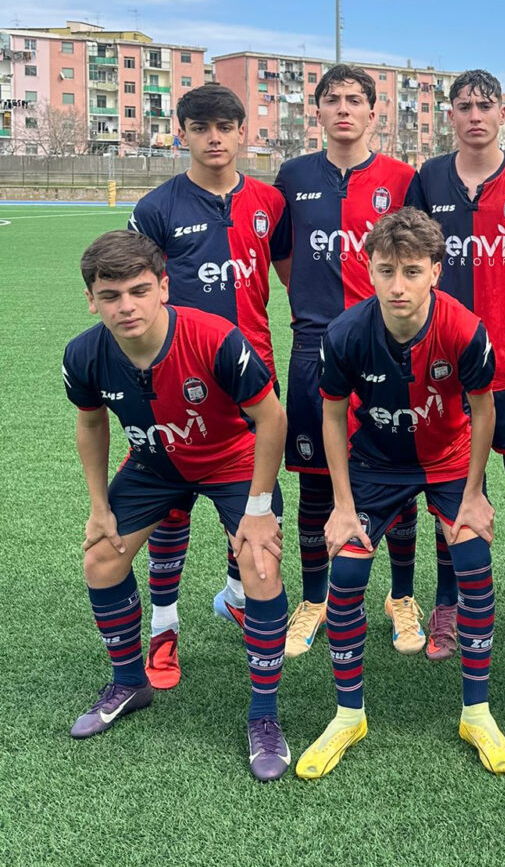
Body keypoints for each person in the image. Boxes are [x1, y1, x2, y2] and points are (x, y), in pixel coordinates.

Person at [295, 207, 505, 778]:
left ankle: (477, 713)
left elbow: (484, 411)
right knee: (346, 574)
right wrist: (342, 505)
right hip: (374, 466)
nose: (398, 286)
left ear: (436, 272)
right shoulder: (345, 333)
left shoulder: (465, 329)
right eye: (386, 270)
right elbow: (331, 416)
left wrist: (474, 493)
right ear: (368, 269)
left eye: (412, 271)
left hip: (448, 464)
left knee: (474, 563)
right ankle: (348, 715)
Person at [63, 230, 291, 781]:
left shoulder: (215, 338)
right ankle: (130, 682)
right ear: (92, 300)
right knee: (101, 558)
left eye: (139, 291)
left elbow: (271, 419)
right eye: (110, 295)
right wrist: (99, 505)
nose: (126, 306)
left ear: (163, 287)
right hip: (152, 465)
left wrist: (259, 507)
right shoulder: (84, 353)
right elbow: (91, 424)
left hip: (231, 461)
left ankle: (264, 715)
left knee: (260, 565)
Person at [126, 83, 289, 690]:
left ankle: (237, 596)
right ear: (183, 133)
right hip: (179, 378)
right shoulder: (156, 207)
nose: (214, 138)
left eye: (225, 126)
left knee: (255, 503)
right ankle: (163, 628)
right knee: (172, 508)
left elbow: (289, 277)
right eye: (200, 127)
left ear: (244, 132)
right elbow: (135, 288)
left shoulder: (270, 201)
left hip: (253, 374)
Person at [272, 64, 428, 659]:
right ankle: (314, 599)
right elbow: (284, 258)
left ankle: (402, 596)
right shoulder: (293, 176)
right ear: (317, 111)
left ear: (372, 112)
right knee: (315, 479)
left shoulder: (402, 178)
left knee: (400, 476)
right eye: (332, 99)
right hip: (314, 345)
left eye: (355, 100)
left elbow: (417, 255)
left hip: (387, 346)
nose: (344, 108)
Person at [419, 69, 505, 659]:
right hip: (445, 361)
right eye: (464, 106)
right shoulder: (428, 177)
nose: (475, 115)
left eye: (485, 105)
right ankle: (448, 600)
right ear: (450, 115)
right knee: (448, 485)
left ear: (502, 114)